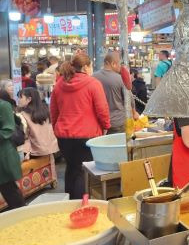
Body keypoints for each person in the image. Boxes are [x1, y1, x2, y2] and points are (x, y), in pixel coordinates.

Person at [50, 54, 110, 199]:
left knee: (71, 168)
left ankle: (70, 202)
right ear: (85, 67)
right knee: (82, 171)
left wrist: (57, 129)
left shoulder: (59, 84)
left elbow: (53, 111)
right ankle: (80, 206)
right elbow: (102, 110)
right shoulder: (93, 84)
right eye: (90, 66)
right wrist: (106, 126)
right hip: (87, 136)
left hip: (64, 136)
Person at [17, 88, 58, 179]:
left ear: (29, 99)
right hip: (50, 147)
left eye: (20, 97)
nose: (18, 100)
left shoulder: (22, 115)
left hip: (35, 150)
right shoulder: (46, 110)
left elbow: (25, 136)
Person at [94, 52, 138, 134]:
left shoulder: (93, 77)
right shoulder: (120, 79)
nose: (121, 66)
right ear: (113, 64)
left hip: (99, 122)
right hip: (118, 123)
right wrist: (134, 113)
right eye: (120, 64)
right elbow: (129, 99)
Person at [0, 90, 24, 210]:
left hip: (3, 154)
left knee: (9, 189)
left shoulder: (3, 106)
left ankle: (22, 218)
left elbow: (8, 130)